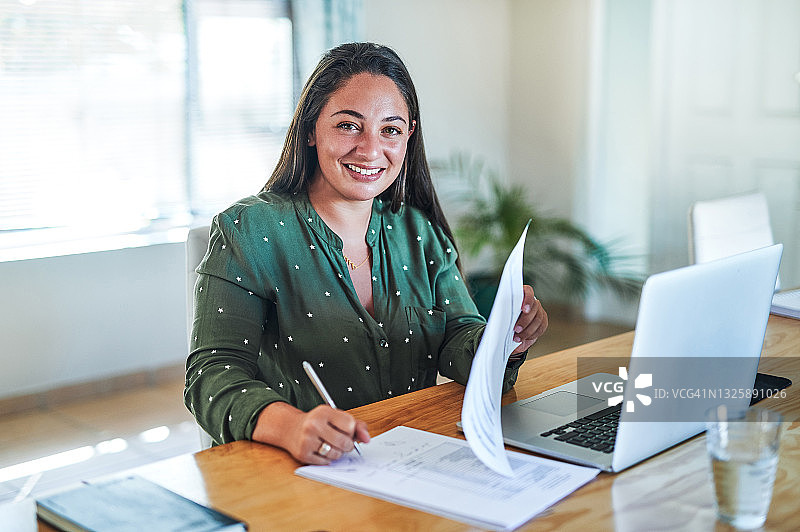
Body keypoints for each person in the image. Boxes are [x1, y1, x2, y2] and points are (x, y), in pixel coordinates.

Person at [184, 42, 548, 465]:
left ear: (408, 136)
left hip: (410, 462)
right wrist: (290, 426)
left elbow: (458, 339)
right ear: (310, 130)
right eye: (348, 126)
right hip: (296, 471)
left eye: (390, 129)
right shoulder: (251, 231)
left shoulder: (419, 232)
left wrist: (507, 338)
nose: (371, 150)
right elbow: (211, 375)